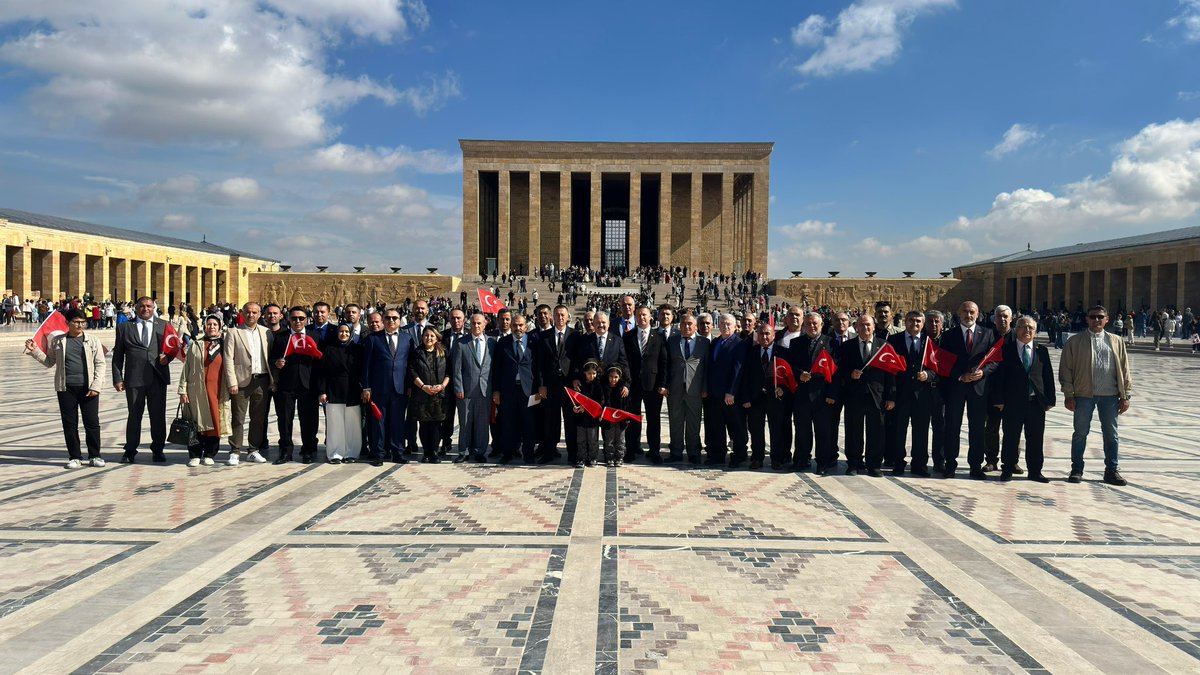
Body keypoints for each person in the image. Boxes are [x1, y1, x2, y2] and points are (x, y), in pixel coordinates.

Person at [1060, 305, 1133, 485]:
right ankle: (1077, 469)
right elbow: (1066, 370)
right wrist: (1069, 394)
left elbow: (1124, 369)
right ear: (1087, 319)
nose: (1096, 320)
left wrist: (1126, 395)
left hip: (1110, 395)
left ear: (1107, 319)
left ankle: (1111, 470)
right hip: (1084, 394)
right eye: (1092, 317)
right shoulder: (1075, 342)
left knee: (1111, 434)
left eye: (1100, 317)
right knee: (1080, 433)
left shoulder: (1116, 341)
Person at [26, 309, 106, 468]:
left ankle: (95, 455)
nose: (80, 325)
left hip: (88, 387)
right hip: (66, 388)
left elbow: (100, 364)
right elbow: (49, 362)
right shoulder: (58, 340)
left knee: (92, 422)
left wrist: (97, 386)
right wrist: (35, 350)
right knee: (69, 423)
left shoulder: (93, 340)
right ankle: (75, 456)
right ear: (67, 323)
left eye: (83, 322)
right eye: (76, 322)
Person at [990, 316, 1055, 482]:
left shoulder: (1041, 350)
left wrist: (1050, 400)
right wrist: (999, 399)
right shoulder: (1006, 348)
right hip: (1012, 402)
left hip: (1035, 402)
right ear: (1016, 329)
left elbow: (1047, 376)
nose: (1027, 331)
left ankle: (1035, 471)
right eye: (1023, 327)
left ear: (1035, 331)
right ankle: (1008, 468)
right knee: (1011, 436)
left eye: (1031, 328)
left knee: (1035, 437)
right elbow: (999, 376)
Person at [828, 315, 895, 476]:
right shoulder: (847, 346)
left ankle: (874, 464)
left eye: (868, 325)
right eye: (861, 325)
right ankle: (854, 463)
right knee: (853, 430)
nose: (865, 328)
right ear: (856, 327)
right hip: (854, 395)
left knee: (877, 431)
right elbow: (839, 371)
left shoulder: (884, 346)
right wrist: (850, 374)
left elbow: (891, 373)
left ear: (873, 327)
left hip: (876, 395)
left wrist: (891, 396)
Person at [112, 296, 171, 463]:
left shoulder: (163, 325)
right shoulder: (124, 327)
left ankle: (158, 449)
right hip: (134, 379)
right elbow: (118, 355)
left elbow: (172, 348)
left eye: (149, 306)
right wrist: (118, 378)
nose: (146, 309)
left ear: (154, 308)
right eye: (142, 306)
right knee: (134, 415)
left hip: (157, 378)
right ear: (136, 308)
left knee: (158, 416)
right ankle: (130, 450)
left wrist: (167, 358)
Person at [941, 301, 997, 479]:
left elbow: (995, 360)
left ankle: (975, 466)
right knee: (952, 427)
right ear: (959, 313)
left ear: (978, 313)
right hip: (956, 387)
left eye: (972, 312)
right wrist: (959, 375)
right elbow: (943, 361)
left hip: (978, 388)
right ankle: (950, 464)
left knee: (977, 428)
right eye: (965, 311)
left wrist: (983, 372)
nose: (968, 315)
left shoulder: (988, 334)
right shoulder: (949, 335)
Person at [361, 309, 414, 466]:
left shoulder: (407, 339)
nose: (391, 320)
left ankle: (398, 451)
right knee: (379, 422)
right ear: (383, 320)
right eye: (388, 318)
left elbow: (411, 365)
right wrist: (366, 387)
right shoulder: (373, 339)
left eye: (394, 318)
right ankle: (379, 453)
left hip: (400, 387)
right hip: (379, 388)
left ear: (399, 320)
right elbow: (367, 366)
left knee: (398, 421)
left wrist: (410, 386)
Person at [178, 315, 232, 467]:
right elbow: (186, 368)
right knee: (196, 423)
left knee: (215, 422)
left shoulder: (225, 344)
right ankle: (195, 454)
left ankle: (209, 453)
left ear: (220, 326)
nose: (211, 327)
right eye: (209, 324)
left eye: (215, 324)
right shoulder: (196, 344)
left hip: (217, 391)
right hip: (197, 390)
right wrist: (183, 390)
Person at [222, 302, 273, 465]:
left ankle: (253, 449)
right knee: (238, 418)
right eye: (248, 312)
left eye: (254, 312)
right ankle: (235, 450)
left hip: (262, 380)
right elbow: (228, 359)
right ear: (242, 313)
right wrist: (231, 381)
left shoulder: (266, 332)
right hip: (241, 380)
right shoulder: (233, 332)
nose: (251, 315)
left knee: (258, 418)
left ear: (259, 315)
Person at [888, 311, 937, 476]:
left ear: (923, 324)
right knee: (898, 430)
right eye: (911, 320)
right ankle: (898, 462)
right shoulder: (894, 340)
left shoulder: (929, 341)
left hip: (922, 394)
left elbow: (937, 366)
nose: (914, 324)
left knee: (921, 431)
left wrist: (928, 375)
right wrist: (891, 396)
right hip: (901, 393)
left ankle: (919, 464)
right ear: (905, 322)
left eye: (918, 321)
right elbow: (889, 369)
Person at [739, 323, 789, 470]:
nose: (764, 336)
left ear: (774, 335)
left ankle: (777, 459)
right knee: (755, 429)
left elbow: (788, 376)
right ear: (757, 336)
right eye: (761, 334)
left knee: (776, 429)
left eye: (767, 334)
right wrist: (746, 398)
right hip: (755, 398)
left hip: (775, 398)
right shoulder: (751, 352)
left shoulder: (782, 352)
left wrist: (783, 390)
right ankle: (757, 458)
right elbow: (745, 377)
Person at [789, 312, 833, 473]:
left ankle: (823, 462)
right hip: (802, 395)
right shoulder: (796, 343)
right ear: (803, 325)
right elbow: (790, 367)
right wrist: (799, 374)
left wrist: (831, 395)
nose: (812, 326)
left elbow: (836, 371)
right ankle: (801, 459)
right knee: (802, 430)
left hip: (822, 395)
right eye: (808, 323)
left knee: (823, 432)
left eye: (815, 323)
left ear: (821, 325)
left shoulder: (830, 343)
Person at [622, 305, 667, 464]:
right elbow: (624, 361)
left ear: (650, 317)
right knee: (632, 418)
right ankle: (631, 449)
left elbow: (663, 362)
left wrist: (663, 384)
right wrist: (625, 382)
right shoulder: (628, 337)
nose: (642, 317)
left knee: (654, 419)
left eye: (645, 315)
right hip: (633, 385)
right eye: (639, 315)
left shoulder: (659, 337)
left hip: (653, 385)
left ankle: (654, 451)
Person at [663, 313, 708, 463]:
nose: (687, 326)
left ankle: (693, 452)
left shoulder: (704, 342)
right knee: (675, 421)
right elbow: (667, 365)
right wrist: (665, 385)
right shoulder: (672, 341)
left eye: (690, 324)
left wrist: (705, 387)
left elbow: (707, 368)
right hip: (675, 389)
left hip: (695, 389)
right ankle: (675, 452)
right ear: (679, 325)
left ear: (696, 326)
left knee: (693, 422)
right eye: (684, 324)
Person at [492, 314, 538, 463]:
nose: (517, 328)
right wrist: (496, 390)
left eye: (520, 325)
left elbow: (538, 368)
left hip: (528, 390)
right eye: (515, 325)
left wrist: (539, 388)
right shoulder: (503, 343)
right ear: (511, 326)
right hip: (508, 390)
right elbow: (497, 368)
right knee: (507, 422)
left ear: (526, 326)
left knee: (529, 423)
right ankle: (507, 453)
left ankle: (528, 453)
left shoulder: (533, 342)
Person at [536, 305, 579, 464]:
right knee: (550, 420)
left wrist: (575, 377)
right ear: (552, 317)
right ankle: (549, 452)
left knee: (570, 420)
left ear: (568, 317)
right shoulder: (545, 336)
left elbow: (577, 361)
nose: (560, 318)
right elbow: (540, 363)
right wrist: (541, 385)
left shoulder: (575, 335)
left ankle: (573, 454)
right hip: (550, 385)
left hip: (568, 385)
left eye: (563, 315)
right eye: (557, 315)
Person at [705, 313, 747, 467]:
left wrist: (731, 391)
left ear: (735, 326)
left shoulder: (739, 344)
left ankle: (739, 455)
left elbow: (738, 369)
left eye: (728, 323)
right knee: (717, 426)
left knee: (735, 426)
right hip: (715, 394)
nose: (725, 326)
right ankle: (718, 455)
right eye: (722, 323)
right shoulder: (715, 342)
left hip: (730, 395)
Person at [453, 313, 495, 463]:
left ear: (485, 325)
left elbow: (494, 368)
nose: (476, 326)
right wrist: (458, 387)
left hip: (485, 390)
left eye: (479, 323)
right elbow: (456, 368)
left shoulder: (492, 342)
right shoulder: (461, 343)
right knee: (464, 423)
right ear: (469, 325)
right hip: (466, 390)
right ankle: (463, 451)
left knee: (482, 423)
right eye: (473, 323)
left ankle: (479, 451)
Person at [319, 324, 363, 464]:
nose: (343, 334)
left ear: (350, 333)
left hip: (352, 391)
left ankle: (352, 452)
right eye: (341, 331)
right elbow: (322, 372)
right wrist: (322, 391)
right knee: (335, 424)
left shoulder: (356, 349)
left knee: (352, 424)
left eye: (346, 331)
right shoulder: (329, 349)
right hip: (334, 390)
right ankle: (335, 453)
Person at [409, 326, 450, 463]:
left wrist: (442, 386)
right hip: (422, 393)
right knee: (424, 424)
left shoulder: (443, 352)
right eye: (426, 335)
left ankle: (434, 451)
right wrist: (423, 386)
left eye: (432, 336)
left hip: (439, 394)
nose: (429, 338)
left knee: (436, 425)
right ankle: (426, 451)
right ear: (422, 337)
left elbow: (449, 372)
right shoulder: (417, 352)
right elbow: (412, 371)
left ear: (437, 337)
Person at [983, 305, 1015, 474]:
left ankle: (1011, 460)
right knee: (991, 427)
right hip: (992, 388)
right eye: (999, 316)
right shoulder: (988, 336)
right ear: (993, 319)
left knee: (1012, 428)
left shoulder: (1017, 337)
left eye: (1005, 316)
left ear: (1011, 318)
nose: (1002, 319)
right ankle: (991, 460)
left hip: (1012, 390)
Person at [440, 308, 470, 456]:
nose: (456, 321)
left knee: (466, 415)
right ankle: (445, 442)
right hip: (446, 382)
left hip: (465, 383)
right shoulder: (443, 336)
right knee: (446, 414)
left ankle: (467, 444)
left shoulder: (471, 335)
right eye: (453, 318)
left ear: (464, 319)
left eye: (459, 318)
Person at [573, 360, 604, 467]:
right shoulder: (580, 385)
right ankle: (581, 458)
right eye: (589, 373)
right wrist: (575, 408)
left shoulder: (598, 386)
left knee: (592, 440)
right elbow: (575, 399)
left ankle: (593, 458)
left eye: (594, 373)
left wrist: (586, 408)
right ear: (584, 373)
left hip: (592, 419)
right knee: (581, 439)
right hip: (581, 418)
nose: (592, 376)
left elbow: (600, 402)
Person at [601, 365, 630, 467]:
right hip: (608, 419)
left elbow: (627, 405)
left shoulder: (623, 390)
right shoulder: (604, 388)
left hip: (620, 420)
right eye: (611, 377)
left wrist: (626, 418)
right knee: (609, 440)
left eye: (616, 377)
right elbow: (602, 403)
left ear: (620, 377)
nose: (613, 379)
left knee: (620, 440)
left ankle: (619, 457)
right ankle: (609, 457)